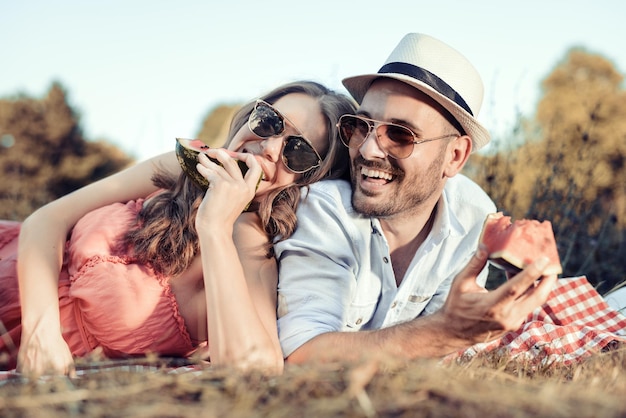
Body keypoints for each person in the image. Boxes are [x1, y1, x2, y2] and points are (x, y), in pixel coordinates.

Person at [0, 80, 356, 376]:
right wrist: (39, 330)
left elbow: (255, 365)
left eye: (299, 151)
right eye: (270, 121)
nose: (270, 147)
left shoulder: (250, 245)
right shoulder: (180, 167)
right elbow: (46, 219)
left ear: (310, 177)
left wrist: (215, 227)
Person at [274, 33, 559, 364]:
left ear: (455, 156)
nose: (367, 149)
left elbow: (433, 359)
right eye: (361, 126)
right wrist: (448, 331)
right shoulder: (323, 210)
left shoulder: (474, 217)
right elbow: (299, 355)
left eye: (400, 134)